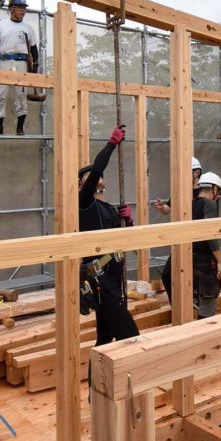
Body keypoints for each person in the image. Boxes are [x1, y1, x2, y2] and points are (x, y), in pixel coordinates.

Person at [78, 125, 139, 346]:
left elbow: (126, 241)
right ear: (80, 185)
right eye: (91, 176)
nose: (97, 177)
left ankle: (96, 381)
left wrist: (129, 222)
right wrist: (112, 144)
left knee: (104, 337)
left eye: (98, 176)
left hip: (113, 275)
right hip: (98, 276)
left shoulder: (110, 209)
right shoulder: (84, 204)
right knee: (130, 335)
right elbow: (96, 171)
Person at [0, 0, 38, 135]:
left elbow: (34, 49)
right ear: (12, 8)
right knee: (0, 93)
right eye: (20, 7)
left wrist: (35, 67)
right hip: (4, 60)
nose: (23, 10)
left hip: (20, 62)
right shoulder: (2, 24)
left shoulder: (28, 28)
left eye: (24, 7)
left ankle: (20, 128)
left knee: (20, 94)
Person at [155, 157, 202, 301]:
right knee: (167, 275)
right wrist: (162, 207)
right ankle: (178, 307)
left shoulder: (204, 189)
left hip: (198, 241)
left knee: (194, 275)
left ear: (196, 172)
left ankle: (196, 300)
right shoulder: (181, 191)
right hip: (182, 240)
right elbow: (168, 209)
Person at [191, 171, 221, 318]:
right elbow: (210, 233)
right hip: (206, 263)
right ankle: (204, 337)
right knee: (208, 306)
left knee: (199, 303)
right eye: (217, 192)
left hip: (193, 260)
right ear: (214, 189)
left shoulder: (192, 205)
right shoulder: (210, 204)